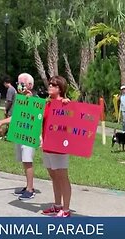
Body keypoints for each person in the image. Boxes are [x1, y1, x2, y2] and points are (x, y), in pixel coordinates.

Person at [0, 73, 37, 200]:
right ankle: (28, 185)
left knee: (28, 160)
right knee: (24, 160)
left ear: (30, 85)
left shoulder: (34, 99)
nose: (19, 86)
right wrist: (1, 122)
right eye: (18, 83)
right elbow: (16, 116)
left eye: (22, 84)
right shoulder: (20, 99)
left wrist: (30, 99)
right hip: (20, 133)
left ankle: (30, 189)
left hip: (29, 134)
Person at [41, 76, 72, 217]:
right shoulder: (47, 104)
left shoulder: (64, 104)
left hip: (59, 147)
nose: (50, 86)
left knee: (62, 177)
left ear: (60, 88)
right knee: (54, 176)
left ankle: (65, 209)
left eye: (53, 85)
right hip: (47, 145)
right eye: (49, 84)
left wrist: (67, 104)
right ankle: (57, 204)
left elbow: (74, 117)